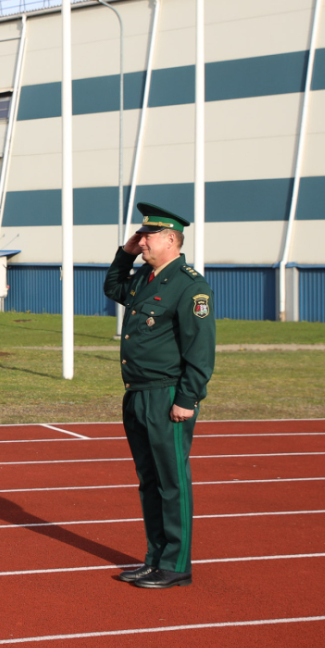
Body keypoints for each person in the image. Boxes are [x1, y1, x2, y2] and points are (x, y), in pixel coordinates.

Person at [103, 201, 215, 589]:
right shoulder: (146, 278)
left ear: (171, 239)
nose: (142, 240)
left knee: (172, 481)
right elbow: (113, 287)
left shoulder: (189, 285)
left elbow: (200, 350)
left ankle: (176, 563)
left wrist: (188, 398)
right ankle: (155, 558)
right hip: (138, 393)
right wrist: (125, 253)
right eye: (141, 234)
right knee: (149, 481)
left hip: (167, 395)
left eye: (148, 235)